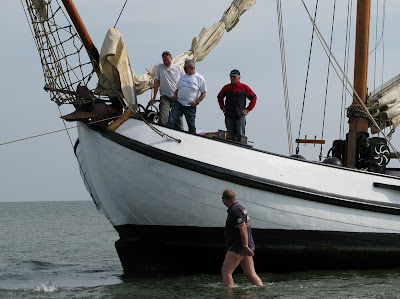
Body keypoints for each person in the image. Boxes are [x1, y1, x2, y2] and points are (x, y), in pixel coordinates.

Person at [221, 189, 263, 287]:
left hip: (238, 246)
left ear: (225, 200)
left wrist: (245, 246)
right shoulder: (241, 208)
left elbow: (242, 227)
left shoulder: (234, 210)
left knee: (226, 272)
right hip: (246, 245)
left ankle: (229, 295)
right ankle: (261, 289)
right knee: (251, 274)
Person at [167, 60, 207, 133]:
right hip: (179, 103)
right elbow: (178, 88)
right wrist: (175, 95)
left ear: (191, 68)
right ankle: (167, 135)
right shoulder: (182, 77)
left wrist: (197, 102)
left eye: (185, 68)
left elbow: (204, 93)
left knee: (191, 125)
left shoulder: (199, 78)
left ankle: (192, 139)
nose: (184, 69)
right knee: (171, 121)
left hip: (190, 105)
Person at [217, 69, 257, 141]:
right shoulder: (226, 88)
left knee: (241, 137)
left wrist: (248, 109)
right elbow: (219, 97)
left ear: (239, 77)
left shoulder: (244, 88)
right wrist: (222, 107)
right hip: (229, 115)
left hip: (239, 115)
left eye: (235, 76)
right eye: (231, 76)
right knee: (230, 137)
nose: (233, 78)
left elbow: (254, 98)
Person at [149, 51, 183, 129]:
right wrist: (154, 97)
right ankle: (162, 131)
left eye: (168, 60)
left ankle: (181, 134)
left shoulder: (177, 68)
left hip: (177, 98)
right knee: (163, 117)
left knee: (178, 120)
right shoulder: (160, 67)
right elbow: (157, 82)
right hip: (165, 97)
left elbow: (183, 82)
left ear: (171, 58)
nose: (166, 62)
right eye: (164, 61)